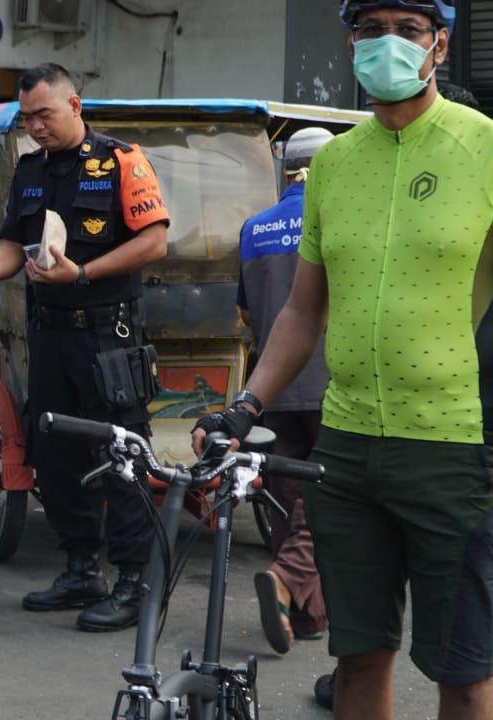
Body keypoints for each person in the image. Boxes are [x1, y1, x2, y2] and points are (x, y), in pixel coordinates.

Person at [192, 2, 493, 718]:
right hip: (348, 449)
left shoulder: (483, 147)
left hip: (456, 445)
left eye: (408, 29)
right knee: (357, 658)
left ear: (440, 46)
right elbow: (302, 312)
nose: (387, 44)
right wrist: (245, 406)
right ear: (350, 42)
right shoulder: (332, 165)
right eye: (370, 29)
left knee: (465, 670)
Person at [0, 63, 169, 632]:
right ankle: (81, 569)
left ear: (75, 105)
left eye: (44, 115)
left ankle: (131, 582)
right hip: (49, 332)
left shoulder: (122, 161)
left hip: (107, 335)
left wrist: (83, 273)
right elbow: (10, 242)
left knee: (120, 458)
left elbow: (154, 241)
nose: (36, 127)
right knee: (54, 454)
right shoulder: (28, 170)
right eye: (27, 118)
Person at [237, 127, 333, 655]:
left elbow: (249, 312)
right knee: (325, 498)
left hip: (269, 386)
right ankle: (286, 577)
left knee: (282, 496)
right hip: (331, 383)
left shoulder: (254, 227)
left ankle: (309, 614)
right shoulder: (336, 218)